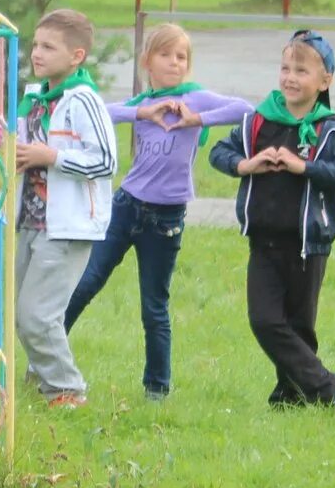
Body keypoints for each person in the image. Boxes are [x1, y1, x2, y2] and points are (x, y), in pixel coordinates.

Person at [63, 21, 255, 400]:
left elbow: (246, 109)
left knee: (154, 305)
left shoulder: (195, 98)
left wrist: (196, 118)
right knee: (86, 284)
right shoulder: (143, 103)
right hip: (125, 208)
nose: (174, 63)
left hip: (165, 219)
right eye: (165, 55)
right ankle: (47, 361)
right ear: (147, 62)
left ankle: (157, 388)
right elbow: (99, 111)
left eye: (181, 56)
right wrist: (143, 114)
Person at [208, 29, 335, 415]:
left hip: (308, 244)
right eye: (285, 68)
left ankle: (291, 399)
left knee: (299, 327)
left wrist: (304, 167)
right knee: (264, 321)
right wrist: (246, 164)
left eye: (301, 70)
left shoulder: (329, 128)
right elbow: (219, 152)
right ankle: (329, 387)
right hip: (264, 241)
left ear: (325, 81)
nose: (290, 78)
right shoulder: (258, 122)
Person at [12, 9, 118, 408]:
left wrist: (51, 156)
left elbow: (106, 161)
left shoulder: (83, 100)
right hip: (31, 221)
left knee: (36, 315)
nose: (37, 53)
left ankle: (67, 390)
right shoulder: (35, 97)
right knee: (22, 314)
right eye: (35, 44)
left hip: (68, 226)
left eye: (48, 46)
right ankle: (40, 379)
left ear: (76, 56)